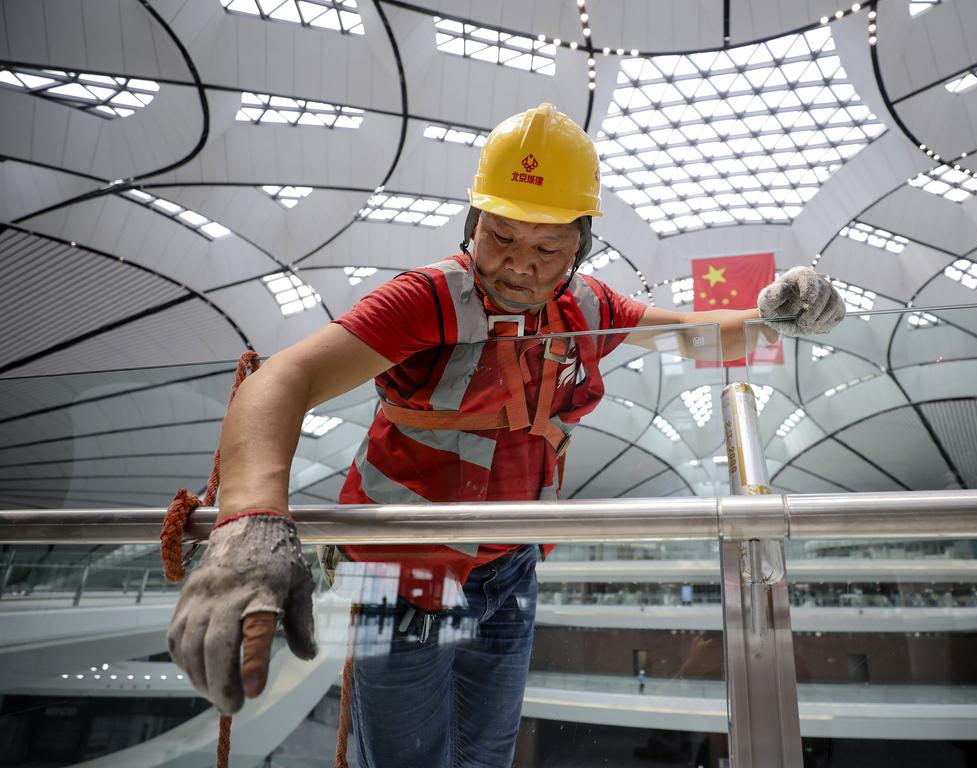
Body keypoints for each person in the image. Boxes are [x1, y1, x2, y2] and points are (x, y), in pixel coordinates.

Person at [166, 103, 845, 767]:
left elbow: (691, 333)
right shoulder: (427, 299)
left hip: (510, 573)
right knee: (407, 759)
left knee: (488, 753)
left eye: (549, 247)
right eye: (501, 237)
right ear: (473, 222)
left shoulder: (587, 307)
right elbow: (280, 381)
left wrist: (775, 316)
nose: (520, 265)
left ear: (582, 246)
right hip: (405, 574)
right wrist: (250, 524)